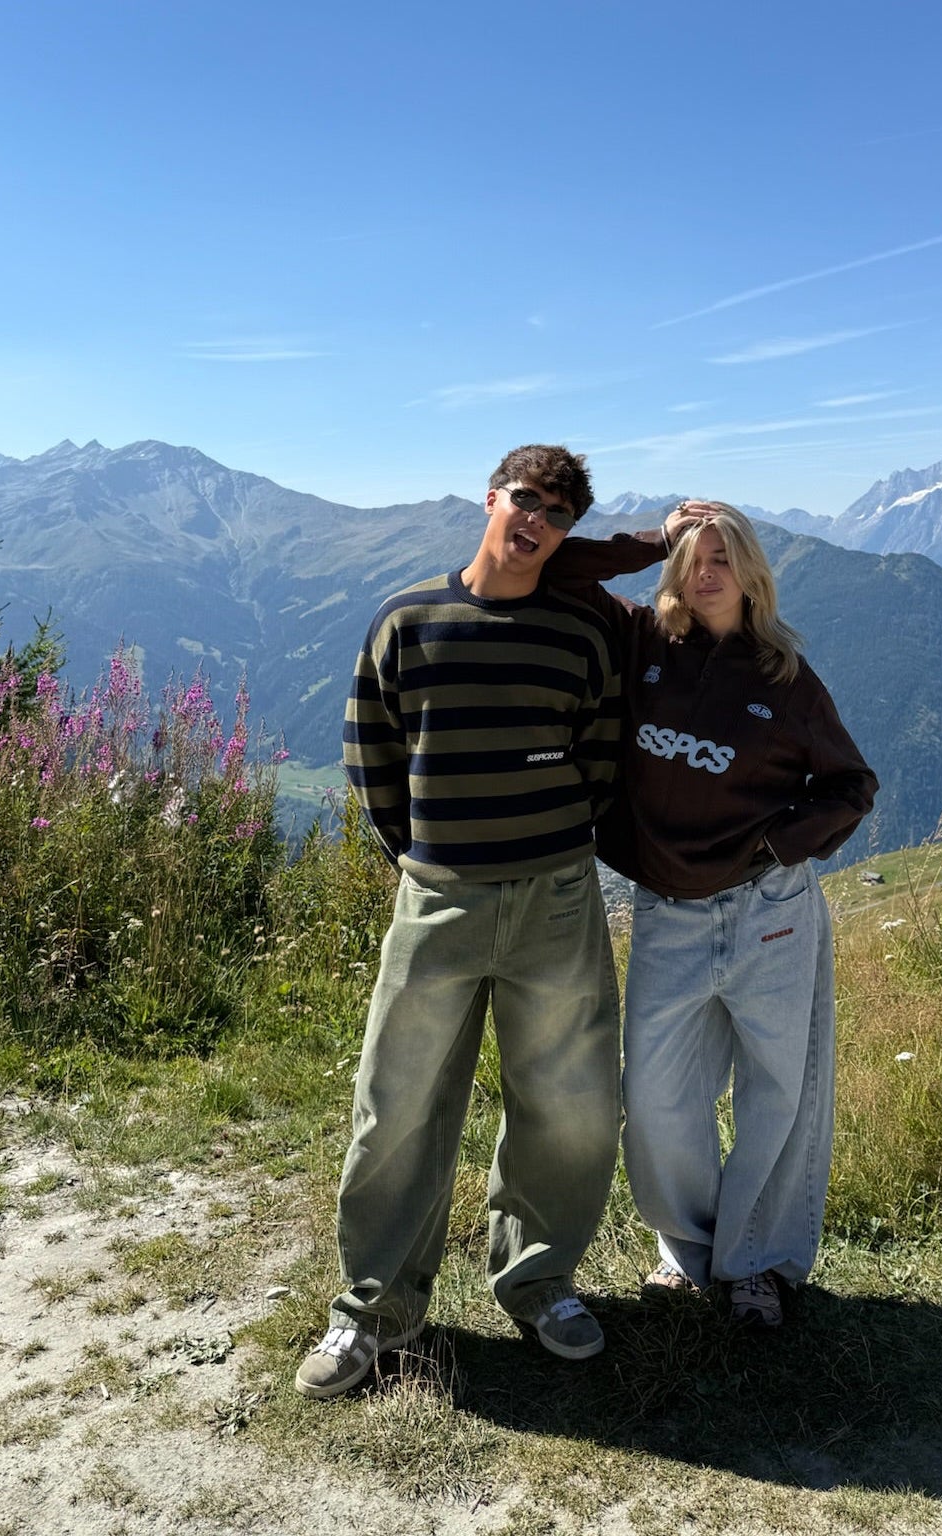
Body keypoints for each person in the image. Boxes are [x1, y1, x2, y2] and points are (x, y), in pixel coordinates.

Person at [295, 445, 625, 1400]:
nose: (537, 522)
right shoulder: (408, 620)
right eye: (527, 500)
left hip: (556, 895)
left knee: (568, 1102)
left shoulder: (582, 633)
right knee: (396, 1103)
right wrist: (421, 853)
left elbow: (600, 755)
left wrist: (553, 840)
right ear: (491, 498)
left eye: (557, 515)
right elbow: (371, 749)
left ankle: (540, 1282)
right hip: (440, 894)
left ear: (566, 532)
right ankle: (375, 1308)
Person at [547, 503, 877, 1327]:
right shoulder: (643, 642)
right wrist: (650, 537)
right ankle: (690, 1252)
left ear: (752, 572)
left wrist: (774, 846)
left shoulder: (785, 678)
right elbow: (556, 570)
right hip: (669, 912)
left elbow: (850, 786)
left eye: (724, 556)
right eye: (693, 556)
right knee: (658, 1097)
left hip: (769, 912)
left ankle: (754, 1263)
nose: (707, 571)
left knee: (778, 1092)